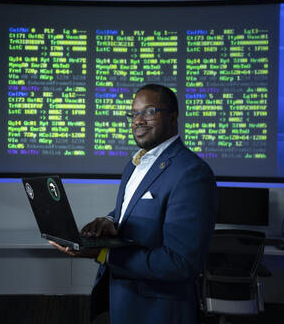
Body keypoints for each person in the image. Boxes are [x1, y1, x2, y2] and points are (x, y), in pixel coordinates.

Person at [49, 84, 217, 324]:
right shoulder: (136, 163)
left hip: (160, 311)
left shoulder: (191, 173)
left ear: (173, 116)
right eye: (133, 113)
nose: (138, 120)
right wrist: (108, 221)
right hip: (124, 301)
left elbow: (181, 264)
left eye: (149, 111)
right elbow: (129, 210)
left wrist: (104, 253)